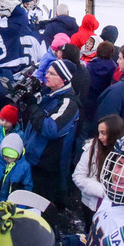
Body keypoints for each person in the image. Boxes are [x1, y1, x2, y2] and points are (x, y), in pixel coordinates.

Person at [22, 60, 80, 208]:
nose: (46, 75)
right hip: (33, 158)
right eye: (47, 71)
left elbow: (51, 129)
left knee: (39, 209)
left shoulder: (68, 103)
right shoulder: (49, 93)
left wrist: (32, 106)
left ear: (63, 79)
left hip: (46, 166)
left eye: (52, 73)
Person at [72, 114, 124, 221]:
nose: (100, 137)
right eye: (99, 132)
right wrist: (103, 191)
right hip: (90, 205)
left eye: (104, 133)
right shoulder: (92, 148)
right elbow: (78, 176)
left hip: (112, 210)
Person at [0, 133, 33, 212]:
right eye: (6, 156)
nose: (8, 160)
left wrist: (23, 202)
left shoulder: (25, 166)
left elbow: (27, 186)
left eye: (12, 157)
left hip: (14, 204)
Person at [83, 41, 117, 128]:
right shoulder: (114, 68)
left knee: (84, 127)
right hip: (101, 101)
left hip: (88, 99)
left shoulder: (91, 64)